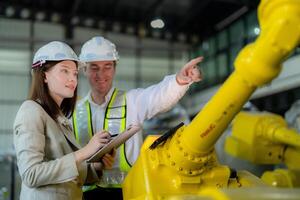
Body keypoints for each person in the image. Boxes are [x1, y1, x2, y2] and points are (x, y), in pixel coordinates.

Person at [72, 36, 203, 199]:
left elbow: (159, 96)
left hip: (130, 191)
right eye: (94, 67)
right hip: (86, 195)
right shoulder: (73, 112)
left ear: (114, 68)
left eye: (107, 66)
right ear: (84, 69)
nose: (101, 74)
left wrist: (180, 80)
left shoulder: (133, 101)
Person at [13, 41, 115, 200]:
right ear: (44, 75)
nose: (73, 79)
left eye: (75, 73)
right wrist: (85, 152)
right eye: (65, 71)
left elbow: (65, 176)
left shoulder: (58, 118)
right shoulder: (31, 111)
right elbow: (31, 175)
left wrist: (97, 166)